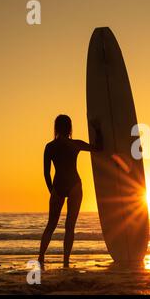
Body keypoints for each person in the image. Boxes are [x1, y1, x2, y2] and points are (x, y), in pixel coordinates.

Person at [38, 115, 103, 269]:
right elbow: (99, 148)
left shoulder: (50, 146)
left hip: (58, 186)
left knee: (51, 225)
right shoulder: (75, 144)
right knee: (70, 226)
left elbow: (46, 173)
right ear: (69, 128)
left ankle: (41, 257)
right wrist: (98, 129)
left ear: (56, 128)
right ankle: (66, 261)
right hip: (74, 185)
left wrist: (52, 191)